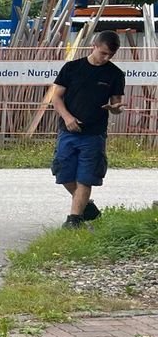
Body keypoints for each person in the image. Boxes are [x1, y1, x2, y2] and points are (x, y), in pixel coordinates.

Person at [51, 30, 126, 228]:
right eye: (103, 53)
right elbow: (56, 97)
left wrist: (116, 109)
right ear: (94, 46)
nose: (106, 58)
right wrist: (67, 118)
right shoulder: (72, 68)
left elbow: (117, 103)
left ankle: (73, 220)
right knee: (64, 174)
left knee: (86, 177)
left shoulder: (115, 74)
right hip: (68, 131)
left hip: (94, 134)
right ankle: (88, 207)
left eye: (110, 55)